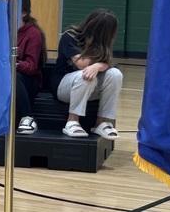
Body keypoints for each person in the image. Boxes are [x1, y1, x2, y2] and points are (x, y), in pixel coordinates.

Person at [51, 8, 123, 139]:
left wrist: (97, 65)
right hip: (63, 87)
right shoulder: (70, 36)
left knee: (115, 74)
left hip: (89, 87)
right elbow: (81, 64)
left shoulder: (103, 43)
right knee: (85, 75)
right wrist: (100, 64)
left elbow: (109, 63)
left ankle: (101, 123)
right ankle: (72, 121)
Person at [15, 0, 47, 134]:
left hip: (27, 80)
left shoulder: (33, 34)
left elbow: (31, 67)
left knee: (12, 76)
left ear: (23, 13)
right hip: (3, 78)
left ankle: (27, 116)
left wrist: (12, 63)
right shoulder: (1, 30)